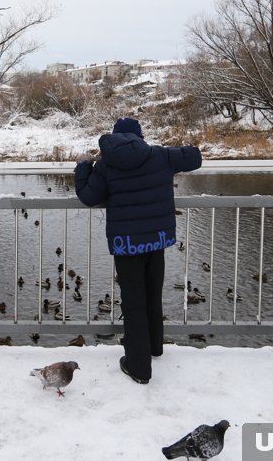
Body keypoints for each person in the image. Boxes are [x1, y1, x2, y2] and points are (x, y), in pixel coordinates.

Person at [74, 117, 202, 384]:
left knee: (133, 301)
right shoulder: (160, 155)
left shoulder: (106, 164)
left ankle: (139, 367)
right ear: (140, 137)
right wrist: (169, 150)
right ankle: (154, 347)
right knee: (152, 293)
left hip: (126, 244)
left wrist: (83, 166)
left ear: (114, 137)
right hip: (157, 239)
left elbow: (88, 196)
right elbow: (195, 157)